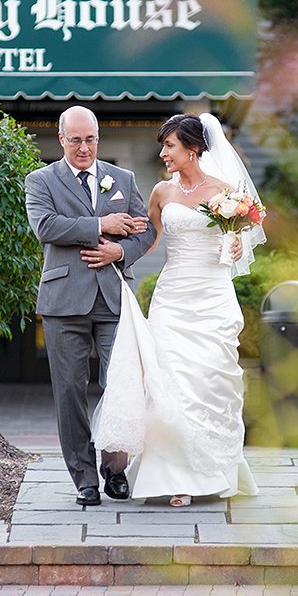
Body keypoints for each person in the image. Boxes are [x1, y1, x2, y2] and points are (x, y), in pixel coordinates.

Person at [93, 113, 263, 508]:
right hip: (172, 296)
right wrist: (117, 252)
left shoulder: (227, 193)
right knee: (168, 380)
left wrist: (236, 246)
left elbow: (238, 241)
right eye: (163, 146)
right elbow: (148, 240)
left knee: (208, 382)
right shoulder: (161, 193)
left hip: (212, 295)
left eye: (170, 146)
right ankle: (173, 475)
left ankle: (211, 471)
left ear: (194, 148)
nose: (163, 153)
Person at [24, 105, 156, 507]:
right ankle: (83, 478)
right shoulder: (41, 180)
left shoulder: (123, 179)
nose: (84, 147)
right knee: (70, 391)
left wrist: (120, 249)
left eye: (91, 139)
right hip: (64, 301)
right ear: (62, 139)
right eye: (76, 140)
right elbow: (46, 227)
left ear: (98, 138)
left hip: (114, 298)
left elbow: (145, 231)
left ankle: (115, 470)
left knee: (121, 386)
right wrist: (102, 225)